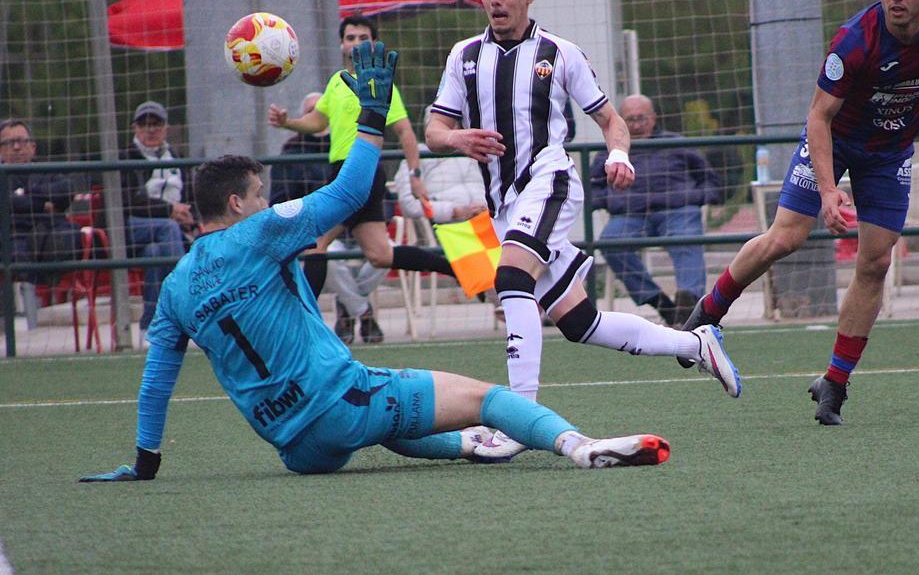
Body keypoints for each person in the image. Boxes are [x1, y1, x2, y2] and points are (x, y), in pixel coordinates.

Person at [78, 41, 671, 483]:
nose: (265, 201)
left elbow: (157, 379)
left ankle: (471, 446)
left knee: (391, 424)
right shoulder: (259, 231)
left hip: (295, 449)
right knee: (487, 398)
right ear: (238, 204)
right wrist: (370, 117)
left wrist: (145, 461)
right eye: (259, 195)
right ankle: (577, 445)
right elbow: (348, 191)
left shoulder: (180, 285)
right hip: (341, 403)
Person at [425, 0, 741, 461]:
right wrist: (459, 139)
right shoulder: (463, 56)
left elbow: (611, 120)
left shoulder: (560, 52)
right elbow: (434, 130)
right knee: (579, 323)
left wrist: (619, 154)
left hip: (549, 183)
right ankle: (695, 343)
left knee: (510, 282)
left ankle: (518, 422)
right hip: (503, 205)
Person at [680, 0, 919, 425]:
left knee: (875, 262)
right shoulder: (854, 41)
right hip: (836, 141)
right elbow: (818, 118)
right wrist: (829, 191)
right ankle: (710, 311)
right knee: (786, 238)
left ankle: (834, 382)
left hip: (889, 155)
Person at [268, 15, 443, 342]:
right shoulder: (336, 81)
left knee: (316, 243)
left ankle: (302, 323)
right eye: (350, 37)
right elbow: (317, 121)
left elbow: (405, 131)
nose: (356, 43)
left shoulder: (379, 83)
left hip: (361, 173)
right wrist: (288, 122)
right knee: (380, 254)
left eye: (363, 37)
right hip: (340, 173)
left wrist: (416, 174)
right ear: (342, 44)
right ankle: (453, 267)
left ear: (373, 44)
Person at [588, 94, 721, 326]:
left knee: (687, 237)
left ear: (653, 118)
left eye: (642, 118)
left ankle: (689, 303)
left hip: (678, 210)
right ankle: (660, 303)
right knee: (610, 242)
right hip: (629, 214)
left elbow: (710, 179)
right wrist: (608, 201)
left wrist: (697, 198)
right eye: (630, 119)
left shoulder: (677, 143)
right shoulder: (610, 151)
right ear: (620, 120)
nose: (637, 125)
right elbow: (592, 188)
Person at [120, 101, 192, 333]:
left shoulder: (177, 158)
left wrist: (191, 217)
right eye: (144, 125)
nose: (150, 130)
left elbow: (192, 196)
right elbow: (127, 201)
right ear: (134, 129)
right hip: (129, 227)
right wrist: (169, 211)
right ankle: (186, 303)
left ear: (166, 128)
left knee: (155, 252)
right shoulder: (125, 158)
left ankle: (150, 325)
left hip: (168, 235)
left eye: (156, 124)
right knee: (168, 228)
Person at [1, 119, 81, 286]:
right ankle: (29, 304)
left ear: (33, 147)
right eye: (9, 143)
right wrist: (43, 204)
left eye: (22, 141)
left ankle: (48, 290)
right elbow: (7, 202)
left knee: (69, 235)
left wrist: (28, 194)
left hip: (50, 231)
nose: (16, 147)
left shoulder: (46, 170)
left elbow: (67, 189)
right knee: (17, 252)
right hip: (14, 236)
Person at [269, 92, 330, 205]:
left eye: (323, 112)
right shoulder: (289, 156)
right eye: (311, 112)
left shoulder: (347, 149)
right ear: (303, 118)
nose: (317, 117)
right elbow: (279, 202)